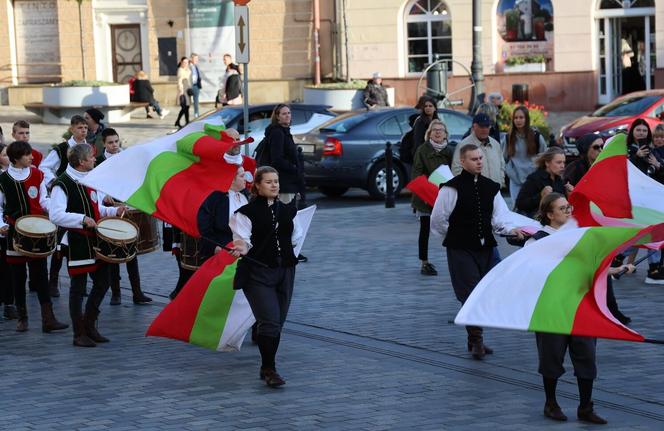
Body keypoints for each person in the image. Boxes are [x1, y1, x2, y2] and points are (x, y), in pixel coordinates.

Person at [527, 192, 634, 424]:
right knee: (551, 357)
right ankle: (551, 403)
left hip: (581, 306)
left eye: (569, 207)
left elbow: (592, 267)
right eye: (563, 208)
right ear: (549, 214)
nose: (569, 211)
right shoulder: (538, 240)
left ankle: (585, 407)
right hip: (553, 308)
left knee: (586, 356)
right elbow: (532, 273)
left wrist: (616, 270)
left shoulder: (581, 236)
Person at [431, 144, 525, 359]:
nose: (479, 162)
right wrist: (454, 238)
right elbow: (438, 220)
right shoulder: (450, 188)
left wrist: (511, 230)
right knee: (470, 292)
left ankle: (474, 337)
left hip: (487, 248)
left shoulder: (490, 187)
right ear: (462, 162)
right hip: (461, 249)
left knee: (486, 291)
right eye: (474, 159)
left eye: (481, 158)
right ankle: (477, 340)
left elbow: (500, 217)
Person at [230, 166, 303, 387]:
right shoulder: (245, 213)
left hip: (285, 271)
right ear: (258, 186)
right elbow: (242, 239)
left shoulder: (289, 210)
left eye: (276, 181)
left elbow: (296, 236)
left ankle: (266, 366)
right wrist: (242, 247)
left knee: (277, 322)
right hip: (258, 273)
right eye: (269, 182)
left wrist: (285, 253)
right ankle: (269, 368)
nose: (274, 185)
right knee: (269, 321)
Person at [49, 143, 127, 347]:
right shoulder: (62, 183)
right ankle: (78, 334)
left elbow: (96, 207)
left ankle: (89, 324)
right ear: (82, 162)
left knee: (103, 281)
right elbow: (55, 215)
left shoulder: (91, 179)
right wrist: (82, 219)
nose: (95, 159)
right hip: (77, 242)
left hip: (95, 239)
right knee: (78, 288)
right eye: (91, 157)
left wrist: (113, 211)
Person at [0, 141, 69, 333]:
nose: (32, 157)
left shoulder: (37, 174)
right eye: (27, 155)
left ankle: (49, 319)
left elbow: (42, 200)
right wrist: (2, 225)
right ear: (16, 158)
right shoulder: (3, 180)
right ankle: (22, 318)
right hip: (14, 232)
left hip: (37, 232)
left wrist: (55, 210)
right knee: (18, 277)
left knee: (40, 275)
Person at [96, 129, 153, 305]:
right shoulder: (98, 162)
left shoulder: (126, 158)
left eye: (116, 141)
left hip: (127, 208)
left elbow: (136, 178)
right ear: (104, 144)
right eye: (110, 142)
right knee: (114, 252)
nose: (114, 145)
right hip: (110, 210)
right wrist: (104, 195)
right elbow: (94, 182)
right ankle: (116, 293)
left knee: (131, 252)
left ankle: (137, 292)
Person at [41, 115, 89, 298]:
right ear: (71, 129)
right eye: (79, 127)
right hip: (64, 195)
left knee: (81, 238)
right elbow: (44, 167)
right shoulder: (61, 149)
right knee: (60, 242)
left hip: (82, 197)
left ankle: (80, 282)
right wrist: (54, 182)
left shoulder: (88, 148)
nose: (83, 130)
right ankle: (53, 281)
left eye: (85, 127)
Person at [411, 119, 453, 276]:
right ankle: (424, 262)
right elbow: (416, 173)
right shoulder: (422, 150)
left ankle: (455, 258)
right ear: (429, 133)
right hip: (425, 196)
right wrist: (427, 188)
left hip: (445, 195)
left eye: (441, 129)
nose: (437, 132)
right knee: (425, 230)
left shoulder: (450, 151)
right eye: (434, 129)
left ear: (445, 134)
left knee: (452, 229)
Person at [261, 104, 303, 206]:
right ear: (277, 117)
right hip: (283, 182)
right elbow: (277, 159)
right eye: (284, 114)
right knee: (285, 216)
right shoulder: (277, 133)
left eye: (289, 113)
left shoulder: (285, 132)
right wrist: (293, 167)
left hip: (288, 181)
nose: (287, 116)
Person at [504, 106, 548, 203]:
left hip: (533, 180)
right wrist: (510, 172)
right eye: (515, 118)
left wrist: (538, 174)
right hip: (515, 180)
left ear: (526, 119)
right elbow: (504, 159)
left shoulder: (536, 136)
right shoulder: (508, 137)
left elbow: (544, 156)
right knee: (517, 210)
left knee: (532, 209)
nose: (518, 120)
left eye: (521, 117)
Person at [515, 147, 571, 217]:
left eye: (564, 162)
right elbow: (520, 204)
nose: (562, 166)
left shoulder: (560, 180)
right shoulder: (535, 179)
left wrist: (570, 194)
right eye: (559, 162)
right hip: (537, 221)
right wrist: (540, 196)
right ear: (547, 163)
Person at [452, 113, 505, 187]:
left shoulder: (495, 144)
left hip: (496, 191)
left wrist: (501, 182)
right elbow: (456, 170)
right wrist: (471, 187)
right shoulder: (463, 145)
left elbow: (502, 166)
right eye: (481, 126)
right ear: (474, 127)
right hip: (475, 192)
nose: (485, 129)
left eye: (487, 126)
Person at [0, 142, 18, 321]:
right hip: (2, 228)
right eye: (4, 154)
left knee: (8, 269)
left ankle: (9, 304)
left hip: (9, 230)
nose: (7, 158)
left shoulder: (12, 176)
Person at [175, 57, 192, 129]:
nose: (185, 64)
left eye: (187, 62)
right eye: (184, 62)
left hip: (187, 89)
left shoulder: (187, 70)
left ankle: (180, 121)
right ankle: (185, 121)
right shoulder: (180, 70)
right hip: (183, 89)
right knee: (184, 107)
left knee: (187, 107)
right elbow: (179, 81)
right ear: (181, 62)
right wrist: (181, 90)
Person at [190, 53, 202, 118]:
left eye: (197, 59)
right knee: (187, 103)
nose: (196, 60)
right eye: (195, 59)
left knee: (196, 101)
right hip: (190, 85)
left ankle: (196, 114)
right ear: (191, 59)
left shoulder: (196, 66)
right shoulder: (189, 66)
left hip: (196, 85)